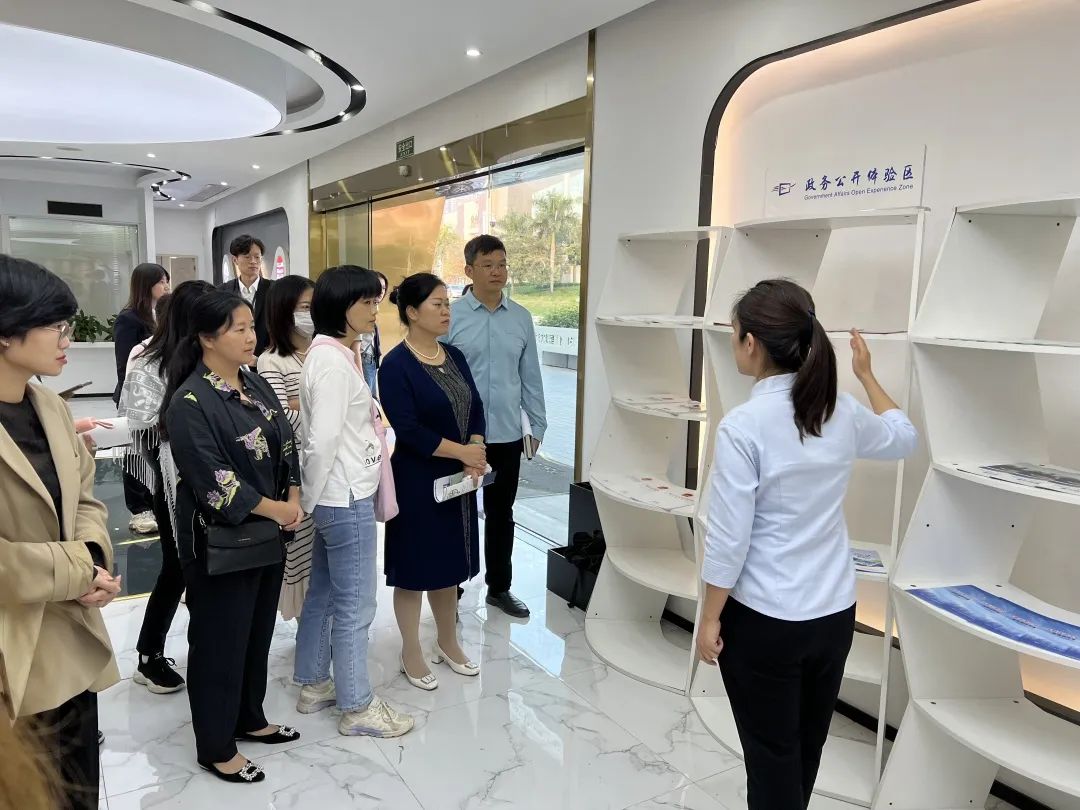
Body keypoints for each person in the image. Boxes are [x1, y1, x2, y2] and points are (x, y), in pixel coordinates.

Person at [695, 279, 917, 810]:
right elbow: (903, 437)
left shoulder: (743, 427)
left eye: (734, 333)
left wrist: (709, 617)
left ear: (751, 343)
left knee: (772, 758)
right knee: (804, 750)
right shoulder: (840, 409)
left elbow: (729, 540)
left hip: (764, 620)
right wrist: (867, 375)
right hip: (833, 616)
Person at [162, 290, 304, 784]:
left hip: (268, 534)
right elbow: (216, 482)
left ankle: (250, 717)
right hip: (219, 542)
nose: (251, 337)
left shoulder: (254, 382)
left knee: (256, 632)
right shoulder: (190, 402)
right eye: (238, 329)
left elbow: (286, 441)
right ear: (206, 338)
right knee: (219, 642)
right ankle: (216, 746)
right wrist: (279, 509)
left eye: (251, 327)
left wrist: (292, 493)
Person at [0, 254, 121, 810]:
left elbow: (86, 495)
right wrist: (77, 570)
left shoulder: (47, 403)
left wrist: (95, 557)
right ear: (6, 332)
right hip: (13, 649)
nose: (66, 338)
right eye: (54, 324)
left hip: (69, 637)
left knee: (79, 787)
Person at [293, 265, 414, 736]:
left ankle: (313, 682)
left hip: (336, 494)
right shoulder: (330, 361)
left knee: (325, 594)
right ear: (339, 307)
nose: (374, 310)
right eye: (365, 302)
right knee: (356, 605)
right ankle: (357, 706)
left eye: (375, 301)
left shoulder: (333, 354)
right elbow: (321, 441)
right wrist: (311, 497)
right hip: (343, 496)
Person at [380, 273, 486, 690]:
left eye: (448, 304)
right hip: (417, 479)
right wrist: (463, 453)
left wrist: (475, 446)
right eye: (437, 304)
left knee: (448, 565)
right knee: (414, 568)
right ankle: (411, 650)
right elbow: (408, 430)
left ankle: (448, 641)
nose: (446, 311)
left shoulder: (454, 355)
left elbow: (475, 407)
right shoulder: (395, 365)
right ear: (412, 312)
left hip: (458, 479)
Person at [119, 280, 214, 695]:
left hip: (215, 480)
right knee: (178, 567)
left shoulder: (210, 356)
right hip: (175, 482)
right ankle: (148, 654)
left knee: (208, 566)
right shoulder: (148, 361)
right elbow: (142, 429)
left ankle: (209, 649)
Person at [446, 235, 546, 618]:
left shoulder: (521, 318)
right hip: (460, 438)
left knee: (501, 513)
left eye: (502, 264)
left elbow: (530, 376)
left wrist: (537, 425)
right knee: (456, 513)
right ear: (469, 270)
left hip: (505, 435)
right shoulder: (451, 316)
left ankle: (499, 588)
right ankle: (450, 587)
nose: (497, 272)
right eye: (488, 265)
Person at [257, 275, 317, 620]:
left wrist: (301, 403)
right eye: (305, 307)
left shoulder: (324, 352)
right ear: (284, 311)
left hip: (328, 469)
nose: (311, 314)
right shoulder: (271, 361)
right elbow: (282, 422)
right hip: (298, 474)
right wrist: (317, 409)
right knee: (303, 556)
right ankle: (309, 630)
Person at [114, 262, 171, 535]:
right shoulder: (130, 319)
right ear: (146, 285)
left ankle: (156, 500)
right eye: (161, 282)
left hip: (162, 394)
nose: (166, 286)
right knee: (136, 451)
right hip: (137, 394)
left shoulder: (163, 314)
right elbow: (124, 363)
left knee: (156, 452)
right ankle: (139, 509)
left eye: (167, 281)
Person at [219, 234, 274, 357]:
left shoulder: (273, 289)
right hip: (233, 356)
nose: (253, 261)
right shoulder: (223, 291)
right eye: (247, 257)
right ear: (235, 260)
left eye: (257, 257)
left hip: (266, 356)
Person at [356, 270, 388, 395]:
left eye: (384, 288)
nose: (381, 291)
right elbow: (356, 344)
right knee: (368, 396)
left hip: (371, 357)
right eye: (378, 286)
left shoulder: (373, 308)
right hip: (363, 357)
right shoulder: (360, 309)